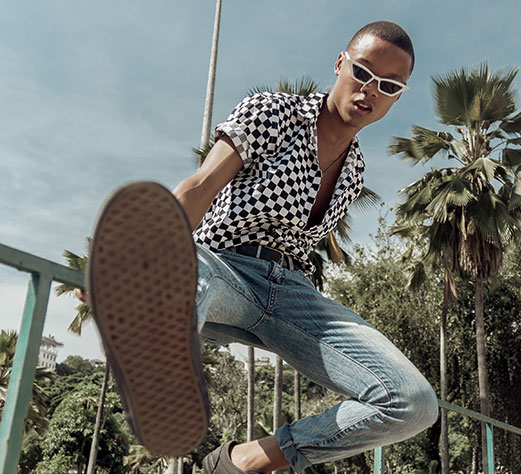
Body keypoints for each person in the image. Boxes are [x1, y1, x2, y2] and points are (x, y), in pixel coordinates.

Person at [84, 20, 438, 474]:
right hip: (223, 268)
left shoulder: (355, 171)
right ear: (340, 63)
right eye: (363, 72)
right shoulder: (273, 112)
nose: (369, 90)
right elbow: (200, 185)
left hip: (292, 293)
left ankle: (246, 459)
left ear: (397, 97)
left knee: (414, 402)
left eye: (387, 85)